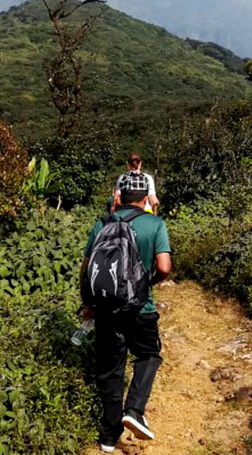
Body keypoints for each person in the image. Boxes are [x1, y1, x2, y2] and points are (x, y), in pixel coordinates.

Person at [82, 171, 172, 452]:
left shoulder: (102, 225)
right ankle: (134, 410)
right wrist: (145, 284)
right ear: (145, 198)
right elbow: (165, 267)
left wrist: (88, 304)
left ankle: (109, 436)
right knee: (148, 354)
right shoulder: (155, 224)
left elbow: (86, 269)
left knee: (110, 369)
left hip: (107, 309)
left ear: (118, 196)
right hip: (141, 308)